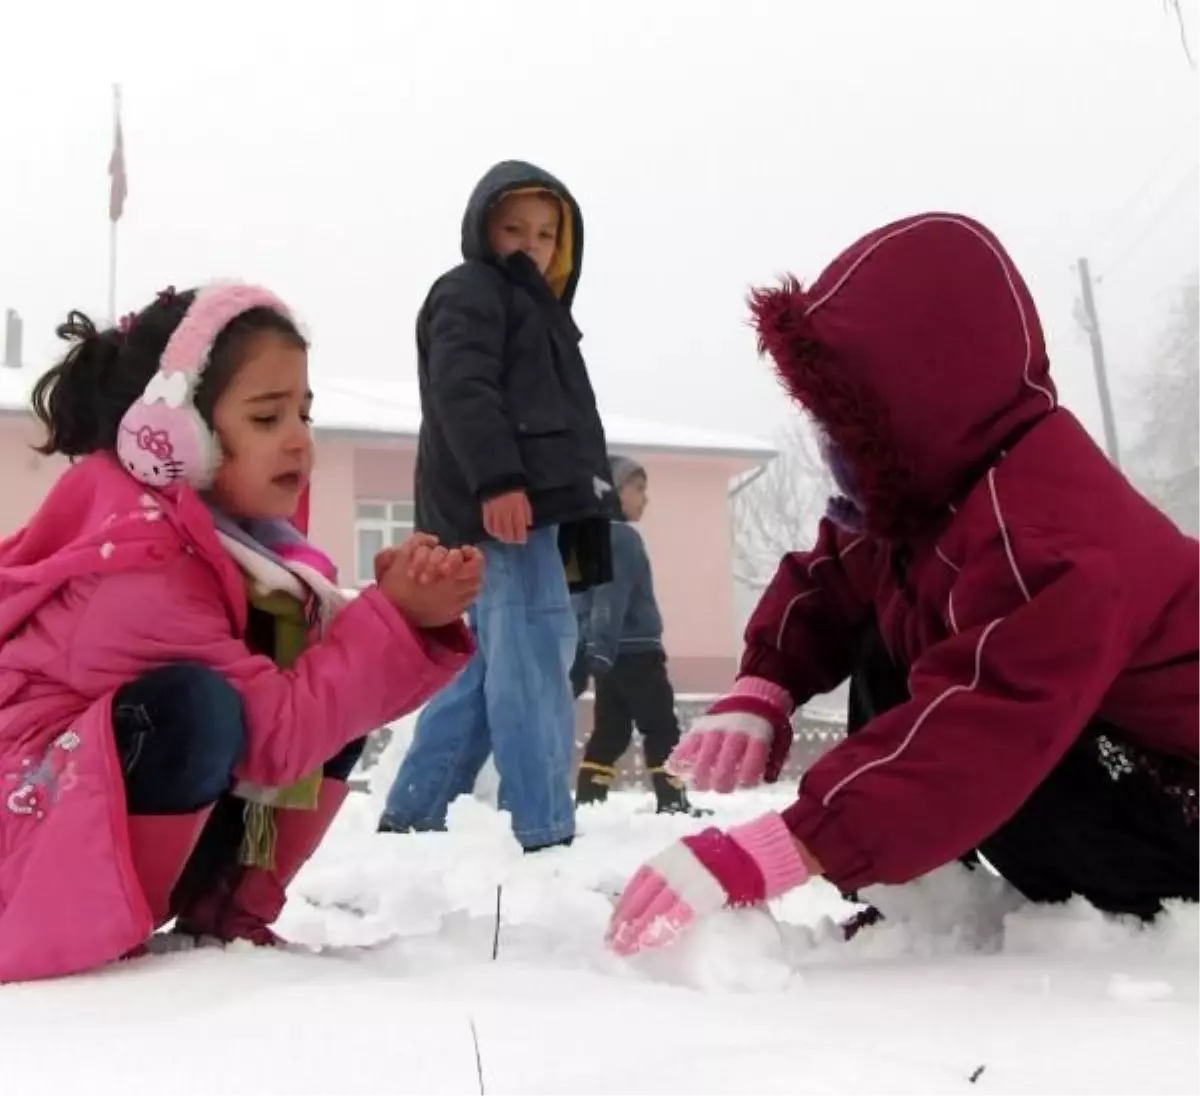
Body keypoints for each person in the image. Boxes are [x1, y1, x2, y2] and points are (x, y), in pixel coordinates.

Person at [605, 212, 1200, 956]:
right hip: (1108, 769)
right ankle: (915, 890)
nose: (832, 444)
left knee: (984, 733)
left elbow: (979, 729)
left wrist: (787, 846)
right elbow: (834, 576)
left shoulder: (1051, 541)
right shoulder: (933, 497)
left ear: (925, 399)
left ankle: (1102, 924)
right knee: (891, 636)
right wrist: (766, 684)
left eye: (849, 421)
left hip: (1179, 803)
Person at [0, 283, 481, 982]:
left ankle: (230, 909)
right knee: (204, 706)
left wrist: (406, 617)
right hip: (25, 848)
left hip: (78, 820)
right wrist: (392, 618)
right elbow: (276, 740)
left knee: (331, 665)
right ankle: (102, 937)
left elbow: (321, 704)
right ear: (174, 437)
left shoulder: (236, 547)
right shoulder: (142, 560)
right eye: (266, 416)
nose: (299, 438)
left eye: (305, 413)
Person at [379, 160, 612, 853]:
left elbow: (570, 428)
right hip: (505, 512)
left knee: (485, 669)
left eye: (545, 233)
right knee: (535, 660)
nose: (530, 245)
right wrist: (498, 481)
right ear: (482, 229)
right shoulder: (472, 292)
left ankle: (413, 817)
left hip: (528, 509)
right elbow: (462, 389)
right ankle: (544, 830)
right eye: (513, 229)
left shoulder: (544, 315)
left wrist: (590, 510)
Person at [574, 456, 700, 815]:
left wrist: (589, 652)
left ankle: (588, 801)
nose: (645, 499)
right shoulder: (623, 538)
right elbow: (609, 598)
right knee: (661, 726)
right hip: (636, 653)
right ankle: (672, 801)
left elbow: (576, 602)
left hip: (605, 657)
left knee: (610, 732)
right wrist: (601, 647)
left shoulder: (579, 538)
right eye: (639, 489)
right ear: (612, 491)